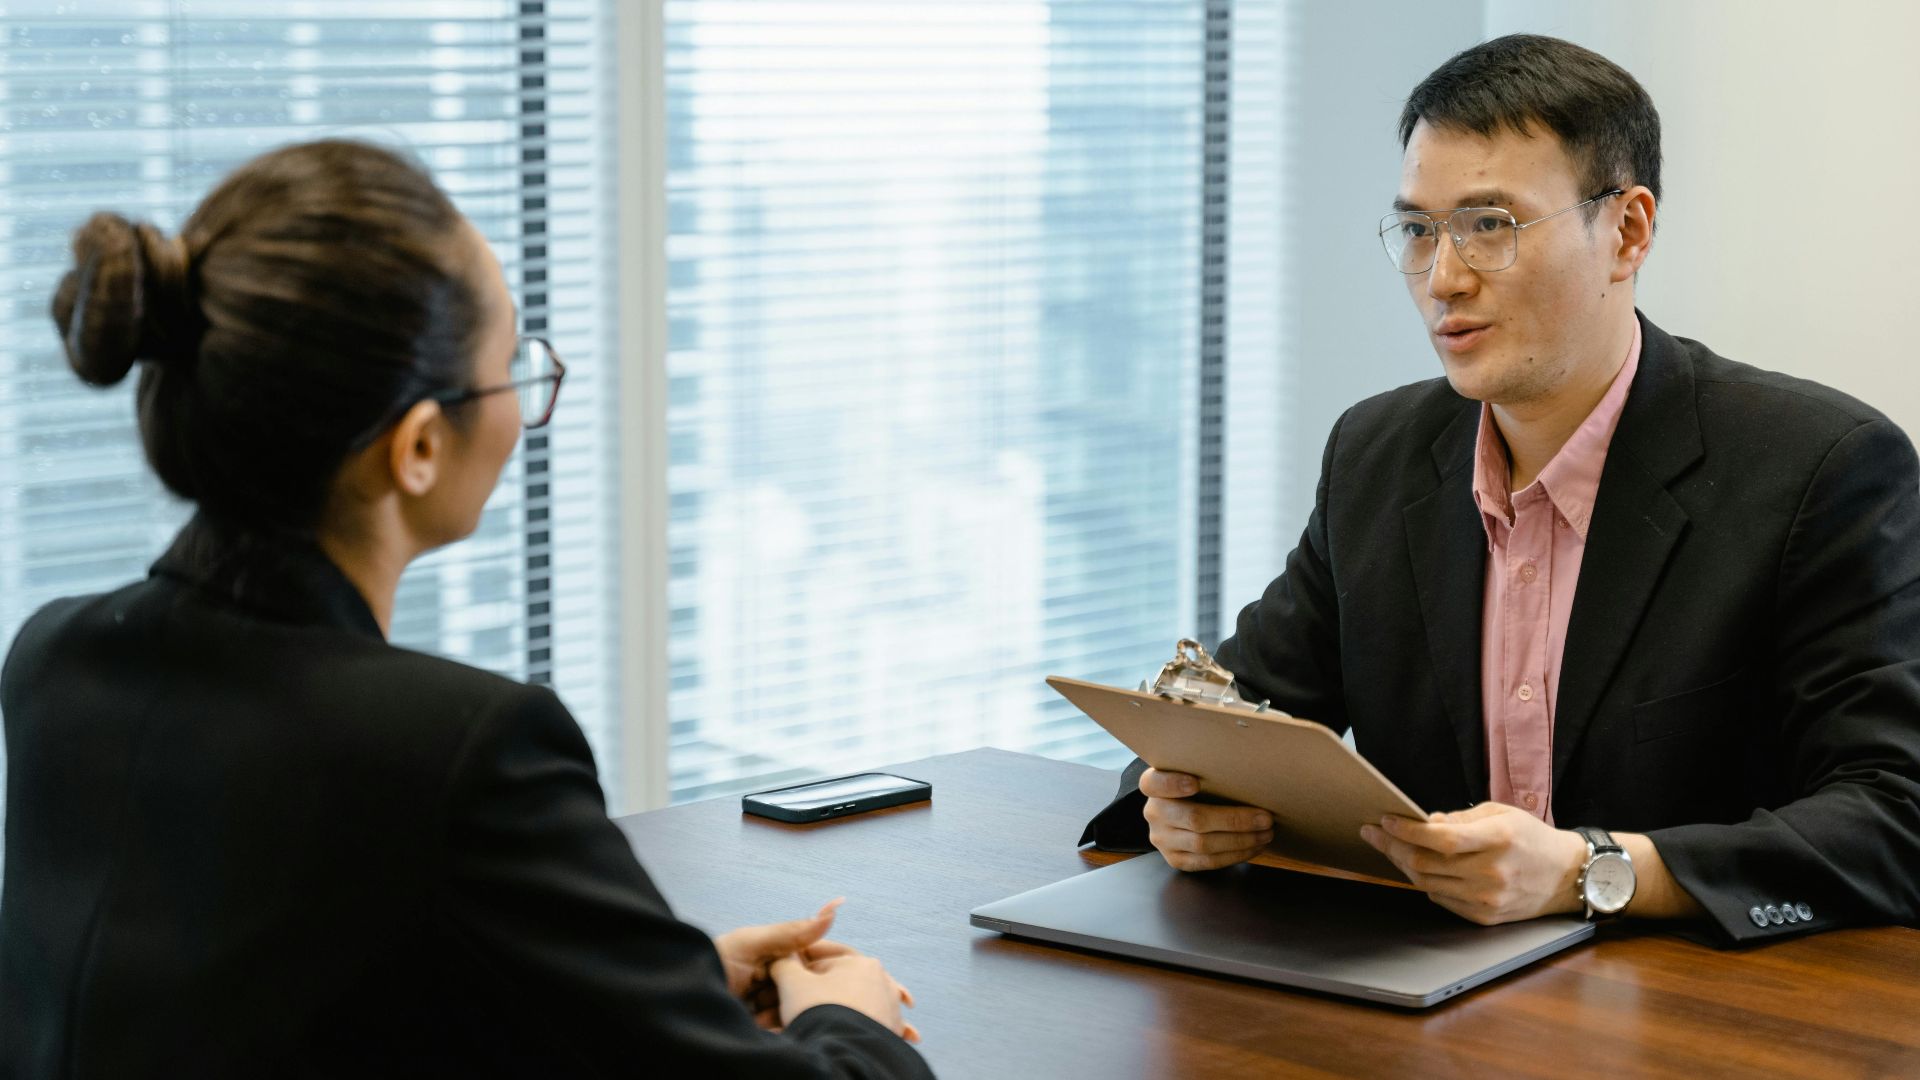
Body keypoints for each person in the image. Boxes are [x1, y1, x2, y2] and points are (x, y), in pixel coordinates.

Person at [0, 139, 931, 1078]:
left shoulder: (56, 661)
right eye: (513, 372)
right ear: (416, 449)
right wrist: (851, 1022)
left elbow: (271, 1000)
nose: (528, 402)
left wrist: (664, 985)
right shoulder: (459, 747)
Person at [1082, 34, 1920, 945]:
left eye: (1491, 225)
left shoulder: (1821, 469)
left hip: (1698, 1012)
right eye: (1417, 230)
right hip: (1427, 996)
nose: (1444, 278)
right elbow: (1231, 716)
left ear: (1628, 231)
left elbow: (1894, 817)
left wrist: (1597, 869)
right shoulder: (1378, 453)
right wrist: (1180, 804)